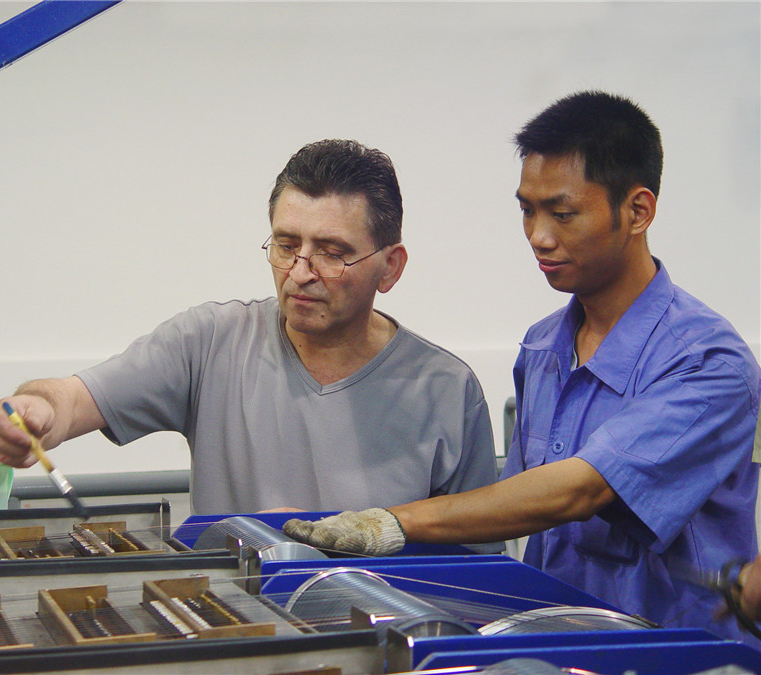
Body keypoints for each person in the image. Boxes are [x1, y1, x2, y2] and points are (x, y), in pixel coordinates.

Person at [285, 93, 761, 643]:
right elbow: (517, 504)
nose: (539, 236)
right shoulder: (542, 348)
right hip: (559, 646)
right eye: (527, 211)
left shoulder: (707, 363)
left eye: (562, 213)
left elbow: (578, 491)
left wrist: (390, 522)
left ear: (637, 211)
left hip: (679, 656)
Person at [0, 139, 499, 526]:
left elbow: (474, 569)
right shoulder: (210, 343)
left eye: (332, 253)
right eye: (286, 245)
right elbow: (74, 398)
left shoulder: (447, 391)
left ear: (390, 267)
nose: (300, 271)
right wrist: (38, 409)